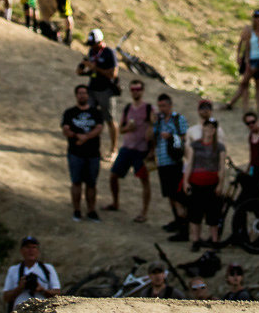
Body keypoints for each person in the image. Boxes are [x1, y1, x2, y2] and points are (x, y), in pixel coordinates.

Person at [109, 80, 154, 221]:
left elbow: (155, 127)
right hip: (127, 148)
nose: (135, 91)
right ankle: (115, 203)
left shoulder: (148, 109)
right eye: (133, 89)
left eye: (138, 89)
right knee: (113, 176)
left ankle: (144, 212)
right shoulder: (128, 108)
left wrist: (152, 148)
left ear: (142, 90)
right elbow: (120, 129)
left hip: (141, 150)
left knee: (144, 181)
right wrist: (127, 128)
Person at [182, 111, 228, 250]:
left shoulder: (219, 147)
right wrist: (186, 181)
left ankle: (214, 241)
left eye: (212, 128)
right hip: (196, 182)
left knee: (213, 215)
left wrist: (220, 184)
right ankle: (196, 240)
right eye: (207, 127)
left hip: (212, 183)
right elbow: (190, 163)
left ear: (215, 130)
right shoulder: (195, 145)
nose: (209, 130)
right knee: (195, 214)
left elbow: (222, 166)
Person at [61, 84, 104, 222]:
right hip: (75, 153)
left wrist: (86, 137)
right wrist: (77, 136)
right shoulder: (69, 112)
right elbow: (65, 129)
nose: (82, 95)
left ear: (88, 95)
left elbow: (99, 128)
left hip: (93, 154)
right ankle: (77, 210)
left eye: (84, 93)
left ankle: (91, 210)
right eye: (79, 93)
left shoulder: (96, 112)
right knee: (76, 182)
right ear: (76, 95)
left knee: (91, 183)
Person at [154, 93, 190, 234]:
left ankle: (184, 225)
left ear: (170, 105)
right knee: (170, 194)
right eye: (159, 106)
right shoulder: (159, 121)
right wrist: (153, 122)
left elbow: (186, 137)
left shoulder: (178, 119)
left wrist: (171, 136)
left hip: (174, 161)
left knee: (178, 195)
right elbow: (152, 137)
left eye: (163, 106)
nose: (161, 109)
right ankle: (177, 221)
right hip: (162, 161)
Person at [228, 9, 259, 112]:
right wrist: (242, 57)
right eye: (256, 17)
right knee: (244, 82)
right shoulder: (249, 30)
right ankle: (236, 103)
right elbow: (244, 44)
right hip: (254, 59)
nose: (258, 20)